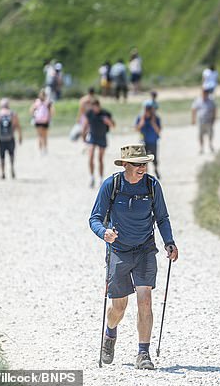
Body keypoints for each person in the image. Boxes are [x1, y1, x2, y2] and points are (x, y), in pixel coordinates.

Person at [89, 144, 179, 370]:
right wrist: (104, 233)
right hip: (118, 250)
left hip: (145, 249)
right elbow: (95, 218)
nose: (142, 168)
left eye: (144, 163)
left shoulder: (152, 185)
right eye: (137, 164)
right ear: (125, 165)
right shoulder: (112, 185)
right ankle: (110, 334)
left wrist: (169, 242)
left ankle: (143, 353)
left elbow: (162, 217)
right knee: (119, 307)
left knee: (145, 300)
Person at [0, 98, 22, 179]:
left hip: (1, 139)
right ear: (8, 105)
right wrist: (20, 136)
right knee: (11, 154)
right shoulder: (13, 114)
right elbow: (18, 126)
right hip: (10, 138)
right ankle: (12, 168)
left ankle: (2, 172)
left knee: (1, 156)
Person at [85, 100, 115, 187]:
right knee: (90, 156)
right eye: (93, 107)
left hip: (102, 137)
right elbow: (86, 124)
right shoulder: (89, 113)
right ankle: (92, 177)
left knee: (100, 159)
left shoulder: (105, 113)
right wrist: (83, 135)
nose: (94, 109)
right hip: (92, 137)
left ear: (99, 106)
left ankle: (101, 178)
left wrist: (108, 122)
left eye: (95, 107)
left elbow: (113, 125)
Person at [135, 101, 161, 178]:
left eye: (149, 109)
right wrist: (142, 121)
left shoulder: (156, 118)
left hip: (153, 141)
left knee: (155, 159)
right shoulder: (140, 117)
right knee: (144, 160)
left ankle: (156, 169)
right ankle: (146, 175)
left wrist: (153, 122)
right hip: (143, 142)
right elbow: (137, 129)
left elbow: (158, 131)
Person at [191, 88, 217, 154]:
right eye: (203, 93)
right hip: (201, 121)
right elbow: (194, 109)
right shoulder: (197, 100)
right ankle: (201, 148)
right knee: (200, 135)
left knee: (210, 134)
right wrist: (193, 119)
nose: (204, 94)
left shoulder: (211, 101)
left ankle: (210, 145)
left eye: (205, 93)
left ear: (207, 94)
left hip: (209, 121)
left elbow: (214, 109)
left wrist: (214, 118)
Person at [30, 89, 54, 155]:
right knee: (45, 136)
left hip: (38, 121)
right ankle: (45, 149)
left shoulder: (36, 102)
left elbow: (31, 111)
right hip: (45, 121)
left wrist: (34, 117)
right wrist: (49, 118)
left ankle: (40, 150)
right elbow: (52, 112)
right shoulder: (48, 102)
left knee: (39, 136)